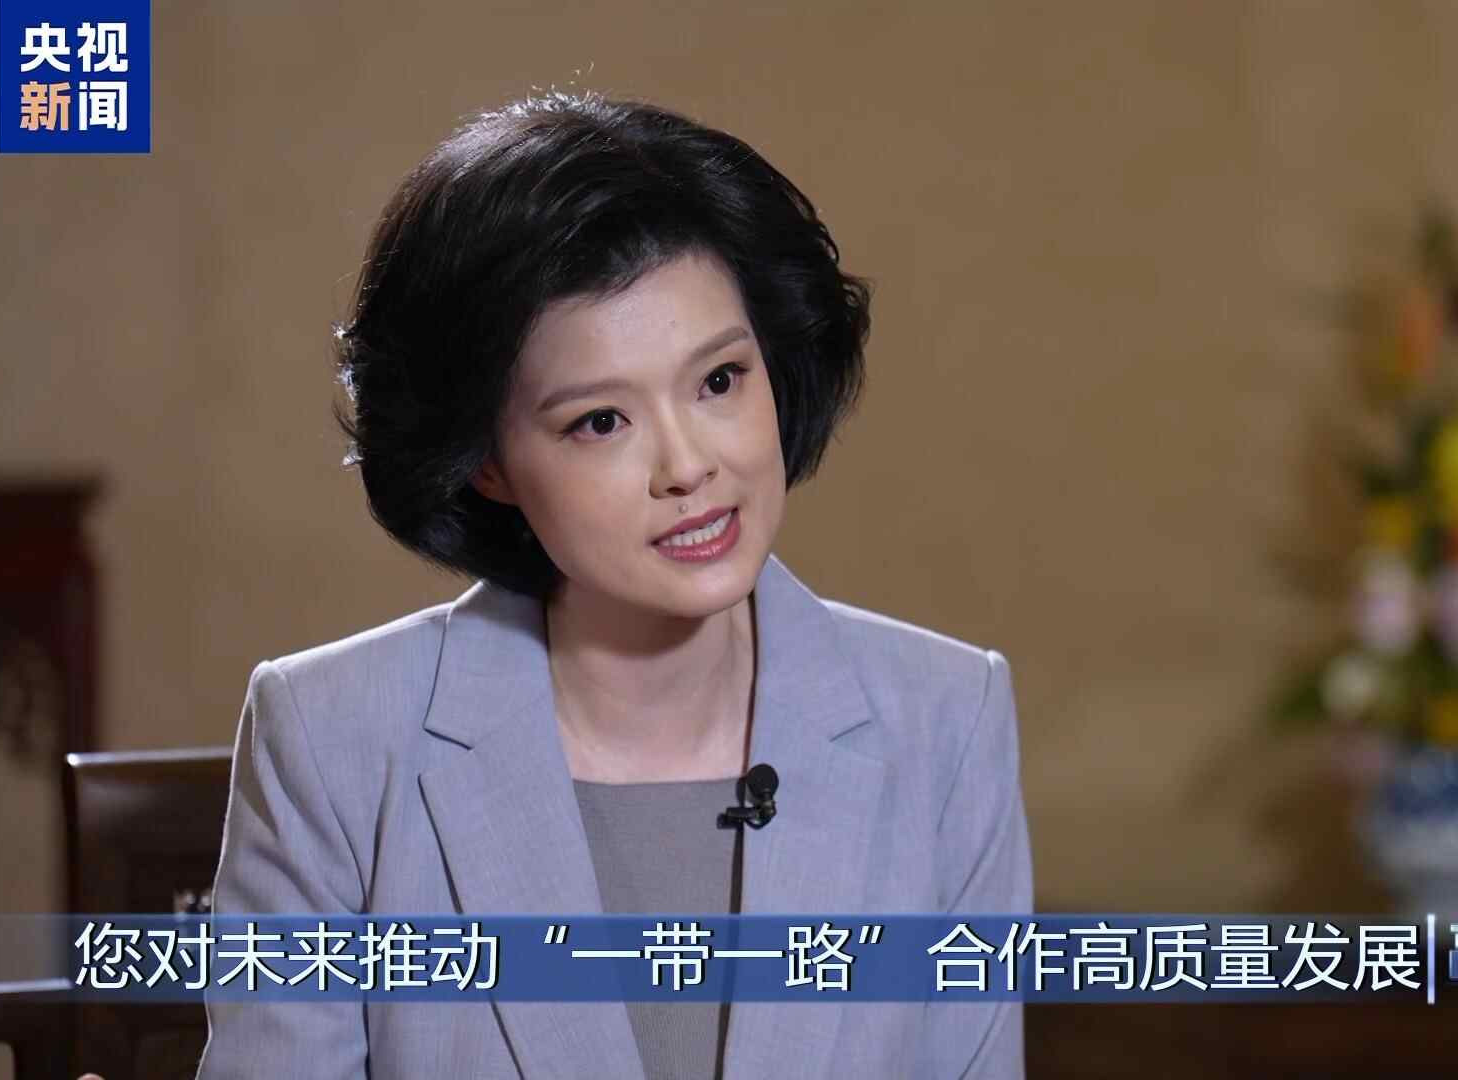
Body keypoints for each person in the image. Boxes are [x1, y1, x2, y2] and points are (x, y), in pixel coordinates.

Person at [194, 91, 1034, 1080]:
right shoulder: (331, 736)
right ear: (487, 463)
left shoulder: (945, 719)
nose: (688, 467)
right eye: (600, 421)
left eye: (719, 381)